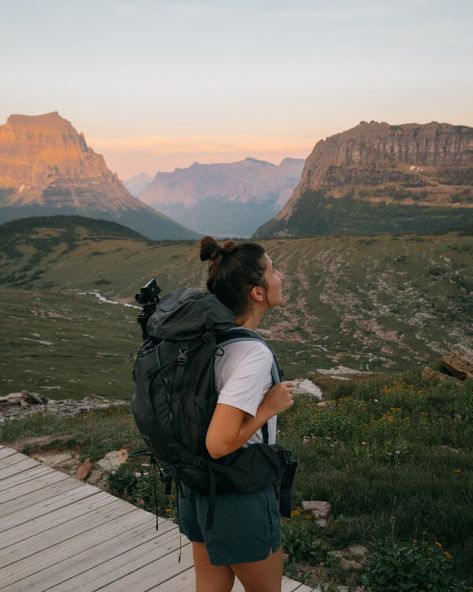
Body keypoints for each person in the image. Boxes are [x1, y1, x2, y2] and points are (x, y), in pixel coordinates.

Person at [178, 236, 294, 592]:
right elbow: (219, 442)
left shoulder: (206, 338)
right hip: (237, 493)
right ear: (257, 293)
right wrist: (267, 409)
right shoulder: (251, 354)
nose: (281, 277)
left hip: (197, 489)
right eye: (273, 271)